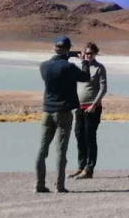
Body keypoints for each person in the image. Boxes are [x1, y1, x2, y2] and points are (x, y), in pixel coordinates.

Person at [36, 35, 90, 194]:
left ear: (54, 48)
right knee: (61, 151)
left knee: (42, 149)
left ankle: (39, 184)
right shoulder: (68, 67)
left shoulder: (43, 66)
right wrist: (84, 62)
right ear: (67, 49)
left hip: (47, 111)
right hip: (63, 113)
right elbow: (85, 77)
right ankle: (59, 186)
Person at [70, 42, 107, 180]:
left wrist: (94, 105)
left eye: (91, 53)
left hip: (92, 108)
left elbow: (103, 88)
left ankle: (89, 169)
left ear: (95, 54)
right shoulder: (81, 68)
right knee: (79, 136)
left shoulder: (99, 68)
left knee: (89, 137)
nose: (88, 55)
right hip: (79, 107)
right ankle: (81, 166)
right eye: (86, 53)